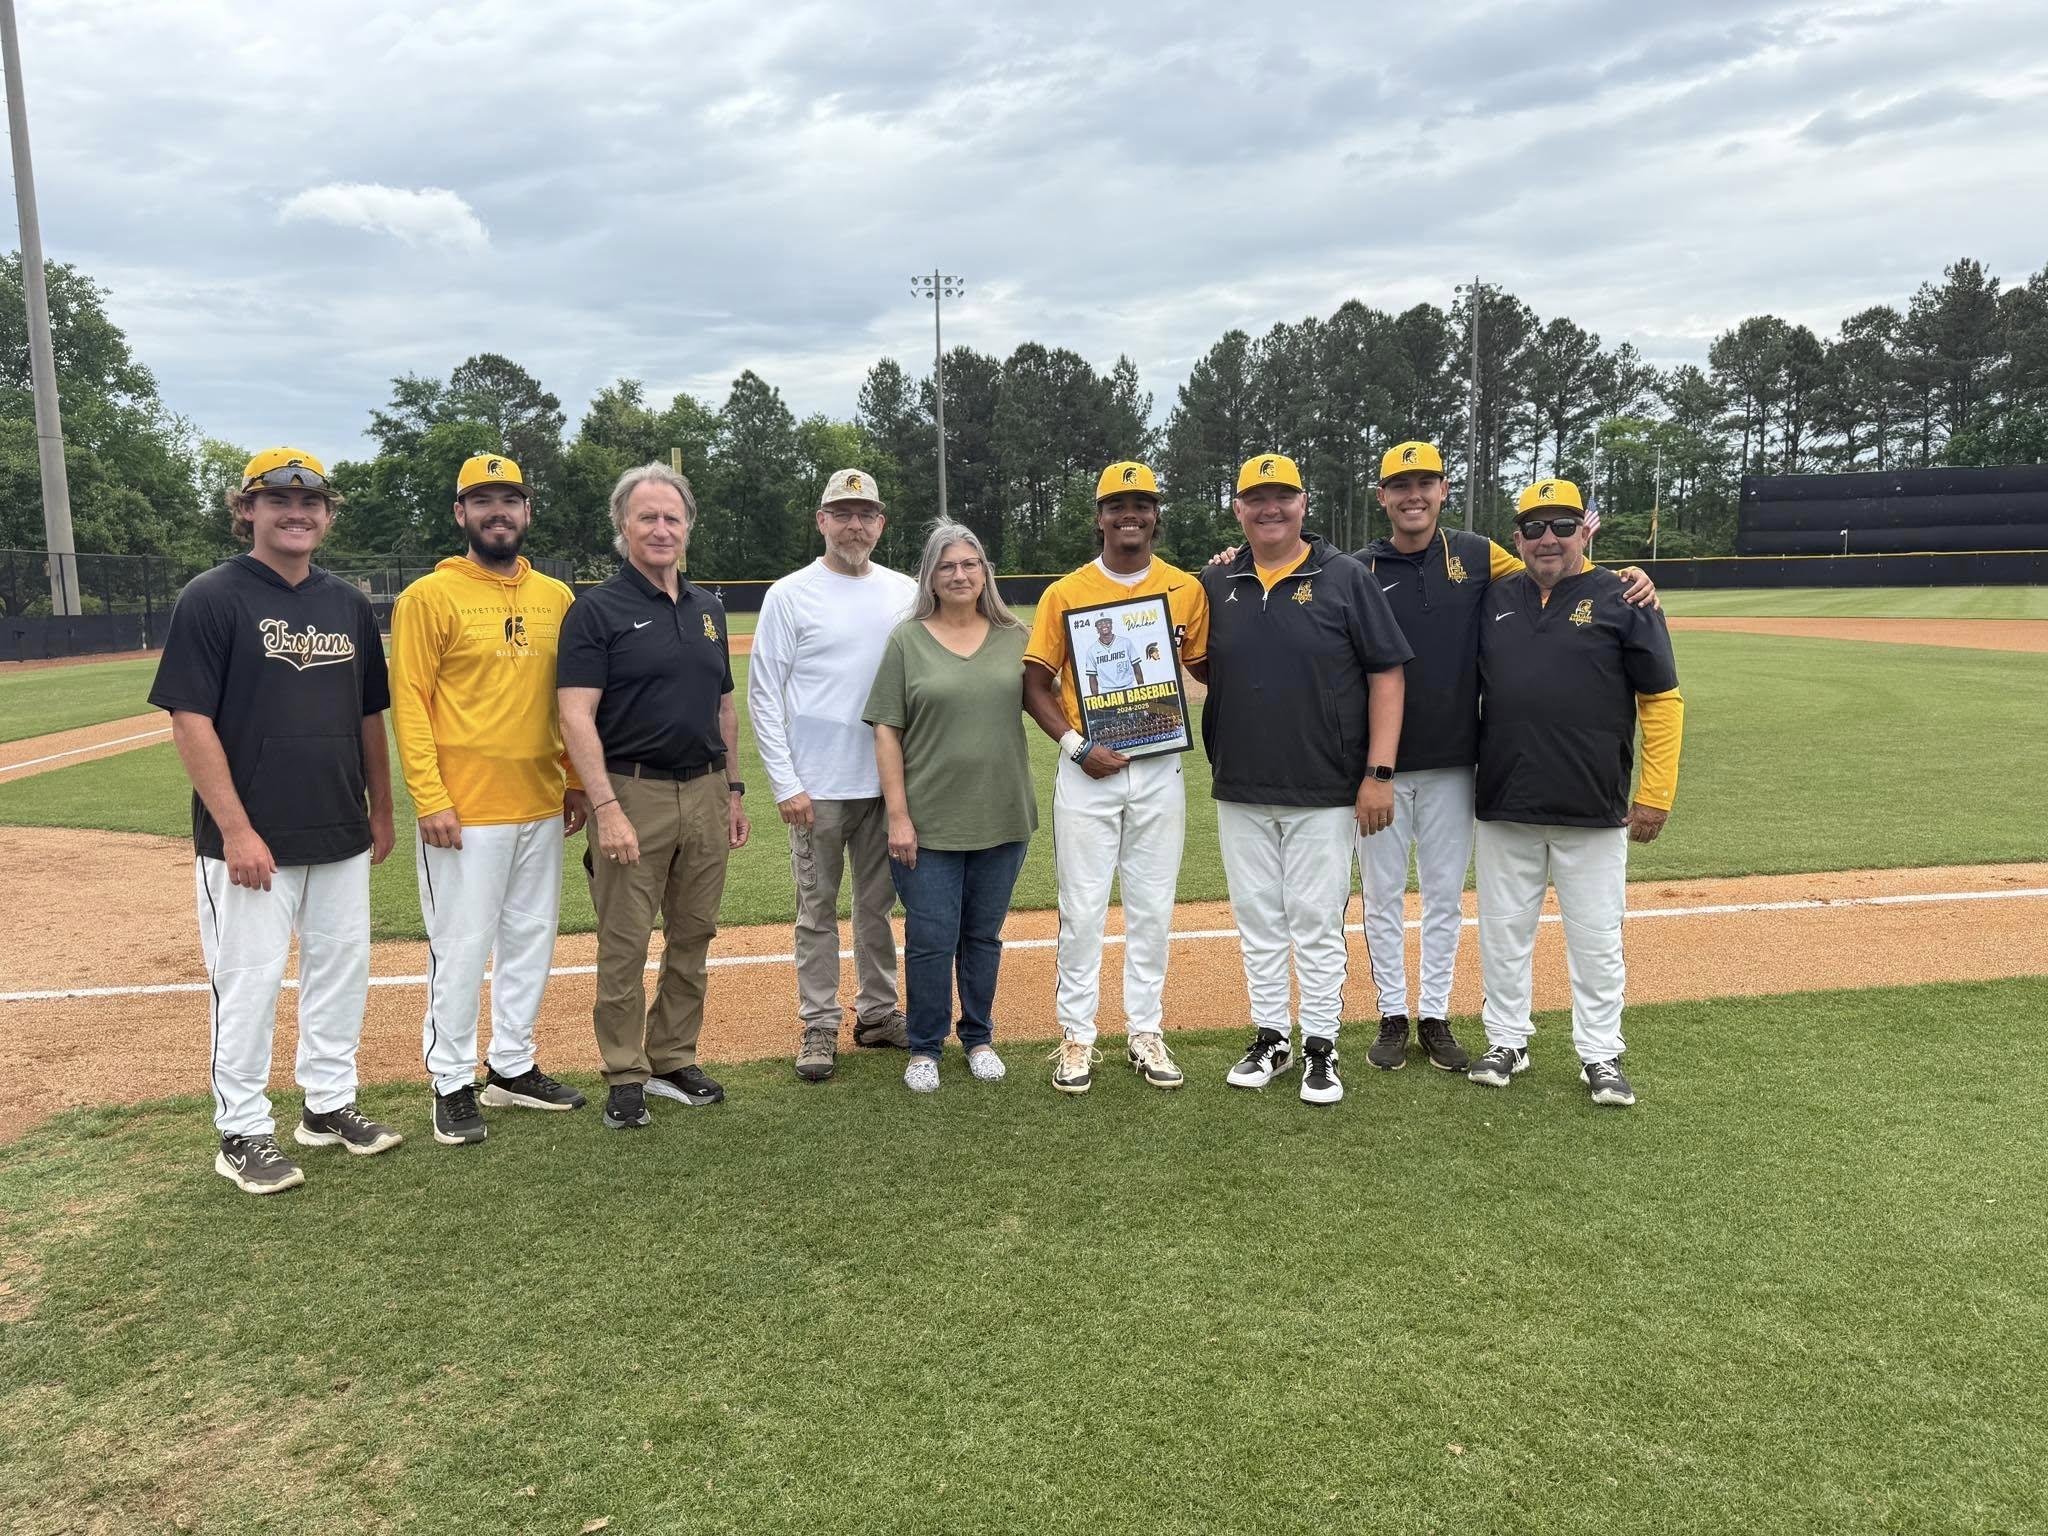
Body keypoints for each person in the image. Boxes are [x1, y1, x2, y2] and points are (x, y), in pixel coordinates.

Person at [1352, 442, 1659, 1074]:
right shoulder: (1356, 568)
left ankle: (1434, 1015)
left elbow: (1559, 567)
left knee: (1443, 898)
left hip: (1457, 763)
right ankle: (1391, 1013)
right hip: (1378, 765)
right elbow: (1292, 562)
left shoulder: (1476, 554)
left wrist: (1629, 577)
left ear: (1443, 490)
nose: (1413, 495)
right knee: (1381, 895)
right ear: (1380, 496)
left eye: (1425, 483)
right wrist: (1232, 556)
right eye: (1399, 485)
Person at [148, 447, 401, 1195]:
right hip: (251, 839)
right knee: (249, 980)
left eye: (312, 501)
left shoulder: (346, 603)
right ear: (247, 509)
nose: (298, 511)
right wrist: (235, 830)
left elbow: (368, 715)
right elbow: (189, 719)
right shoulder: (213, 596)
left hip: (338, 828)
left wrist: (381, 806)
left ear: (327, 515)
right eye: (279, 499)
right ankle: (243, 1129)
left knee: (341, 970)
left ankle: (327, 1105)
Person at [389, 453, 590, 1147]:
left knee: (530, 941)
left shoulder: (557, 598)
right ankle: (449, 1081)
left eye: (509, 499)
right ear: (460, 514)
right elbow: (408, 704)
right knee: (461, 946)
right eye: (482, 500)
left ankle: (511, 1064)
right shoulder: (428, 598)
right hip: (464, 812)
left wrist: (572, 780)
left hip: (538, 800)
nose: (496, 511)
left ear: (527, 511)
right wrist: (429, 797)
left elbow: (567, 702)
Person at [1201, 453, 1411, 1106]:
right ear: (1236, 508)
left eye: (1282, 496)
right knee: (1259, 919)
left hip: (1324, 786)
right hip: (1240, 783)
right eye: (1256, 498)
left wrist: (1378, 773)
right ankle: (1272, 1037)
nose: (1270, 508)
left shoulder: (1346, 578)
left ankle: (1321, 1044)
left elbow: (1387, 676)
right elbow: (1200, 664)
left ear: (1303, 503)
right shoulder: (1216, 583)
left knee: (1316, 921)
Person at [1467, 478, 1685, 1107]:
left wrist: (1657, 791)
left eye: (1562, 525)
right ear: (1517, 537)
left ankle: (1601, 1053)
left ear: (1583, 530)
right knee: (1503, 933)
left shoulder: (1625, 596)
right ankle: (1508, 1038)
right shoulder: (1496, 596)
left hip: (1593, 803)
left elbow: (1662, 701)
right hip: (1507, 798)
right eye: (1534, 527)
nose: (1548, 538)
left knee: (1595, 937)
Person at [556, 463, 750, 1131]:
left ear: (688, 526)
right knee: (625, 941)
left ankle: (671, 1055)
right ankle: (624, 1071)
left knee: (693, 933)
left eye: (672, 517)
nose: (661, 528)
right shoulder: (597, 610)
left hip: (702, 789)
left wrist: (732, 788)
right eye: (648, 517)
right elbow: (575, 715)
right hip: (631, 790)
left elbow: (724, 706)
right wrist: (605, 807)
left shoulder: (708, 609)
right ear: (624, 527)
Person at [1023, 461, 1208, 1094]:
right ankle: (1076, 1036)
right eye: (1117, 505)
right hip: (1088, 769)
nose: (1130, 515)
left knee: (1153, 908)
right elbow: (1033, 684)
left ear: (1157, 513)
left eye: (1142, 504)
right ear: (1099, 517)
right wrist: (1077, 748)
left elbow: (1209, 667)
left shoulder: (1186, 588)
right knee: (1082, 909)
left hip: (1159, 766)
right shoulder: (1065, 592)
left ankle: (1145, 1030)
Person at [748, 469, 918, 1082]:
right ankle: (819, 1022)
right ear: (821, 521)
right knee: (816, 910)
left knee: (878, 908)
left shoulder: (906, 591)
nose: (854, 524)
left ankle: (878, 1013)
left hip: (884, 785)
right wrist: (785, 783)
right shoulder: (790, 594)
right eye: (842, 513)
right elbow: (763, 695)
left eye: (865, 513)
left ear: (880, 524)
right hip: (816, 788)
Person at [863, 521, 1036, 1093]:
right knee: (932, 938)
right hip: (929, 822)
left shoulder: (1016, 637)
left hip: (1003, 816)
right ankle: (925, 1047)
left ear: (984, 570)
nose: (959, 574)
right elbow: (886, 730)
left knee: (983, 936)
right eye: (946, 566)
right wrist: (898, 815)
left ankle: (980, 1036)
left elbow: (1068, 698)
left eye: (969, 563)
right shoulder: (906, 640)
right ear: (930, 577)